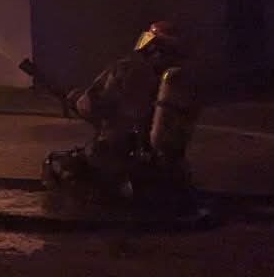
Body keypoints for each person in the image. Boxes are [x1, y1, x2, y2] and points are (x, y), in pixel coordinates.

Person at [44, 22, 201, 203]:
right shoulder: (177, 79)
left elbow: (90, 106)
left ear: (156, 47)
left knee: (65, 166)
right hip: (165, 164)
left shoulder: (126, 70)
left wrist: (75, 99)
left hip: (121, 153)